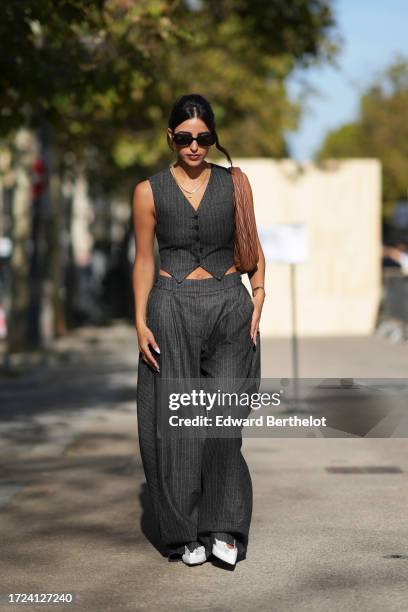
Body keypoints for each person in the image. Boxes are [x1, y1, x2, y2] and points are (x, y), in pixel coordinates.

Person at [132, 93, 265, 567]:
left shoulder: (236, 184)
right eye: (185, 138)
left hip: (230, 304)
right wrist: (140, 320)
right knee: (179, 426)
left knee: (224, 422)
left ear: (213, 137)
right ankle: (184, 531)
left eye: (204, 138)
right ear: (170, 137)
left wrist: (260, 292)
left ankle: (223, 525)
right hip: (170, 308)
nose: (194, 146)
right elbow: (144, 259)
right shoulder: (148, 191)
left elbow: (251, 242)